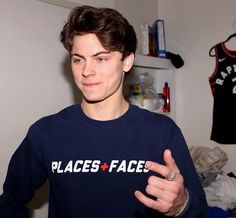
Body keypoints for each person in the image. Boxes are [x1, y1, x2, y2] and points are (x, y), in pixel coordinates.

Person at [0, 5, 207, 218]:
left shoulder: (162, 132)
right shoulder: (45, 133)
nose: (87, 71)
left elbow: (199, 210)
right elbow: (10, 202)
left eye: (101, 58)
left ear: (127, 61)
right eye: (78, 59)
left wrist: (182, 204)